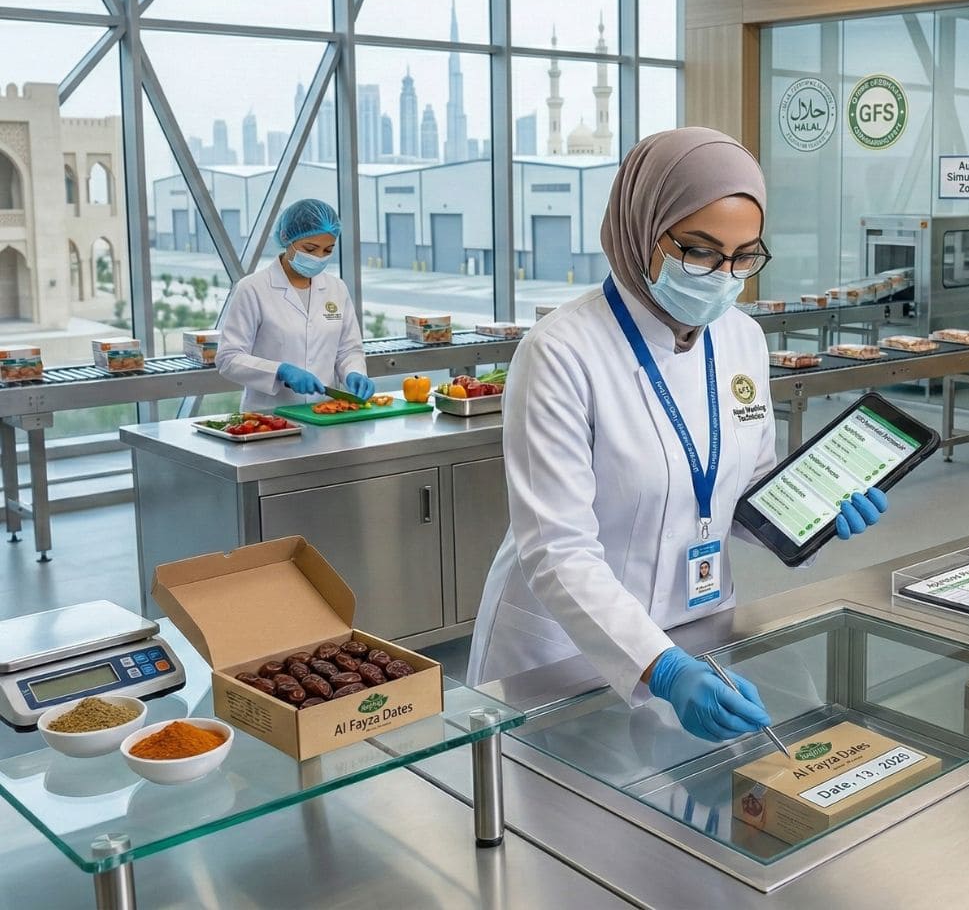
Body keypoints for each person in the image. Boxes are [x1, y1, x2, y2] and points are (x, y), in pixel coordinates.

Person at [468, 128, 888, 742]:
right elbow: (556, 550)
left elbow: (739, 493)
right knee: (562, 822)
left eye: (744, 257)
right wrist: (660, 666)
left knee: (683, 814)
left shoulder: (741, 337)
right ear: (642, 230)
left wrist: (813, 511)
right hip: (568, 645)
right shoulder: (561, 351)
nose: (723, 275)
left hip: (698, 624)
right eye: (700, 251)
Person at [217, 199, 375, 412]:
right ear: (286, 238)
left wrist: (354, 372)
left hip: (325, 414)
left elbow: (348, 349)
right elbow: (228, 358)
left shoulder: (336, 288)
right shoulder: (253, 289)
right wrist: (280, 371)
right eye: (310, 249)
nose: (319, 258)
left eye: (327, 250)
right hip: (269, 417)